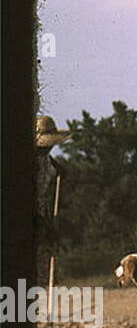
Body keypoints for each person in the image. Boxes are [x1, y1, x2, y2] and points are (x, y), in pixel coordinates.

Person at [35, 115, 71, 281]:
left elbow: (48, 161)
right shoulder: (23, 163)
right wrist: (46, 226)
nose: (48, 148)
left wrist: (57, 167)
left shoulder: (45, 159)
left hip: (43, 218)